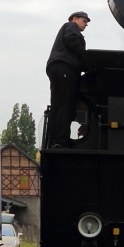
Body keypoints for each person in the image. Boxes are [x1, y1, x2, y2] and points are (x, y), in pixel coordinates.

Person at [45, 11, 90, 148]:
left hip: (58, 67)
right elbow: (72, 40)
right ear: (74, 19)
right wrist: (86, 60)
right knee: (66, 104)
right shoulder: (70, 26)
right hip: (65, 66)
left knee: (57, 105)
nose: (86, 24)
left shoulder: (69, 29)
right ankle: (61, 140)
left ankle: (53, 140)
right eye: (84, 21)